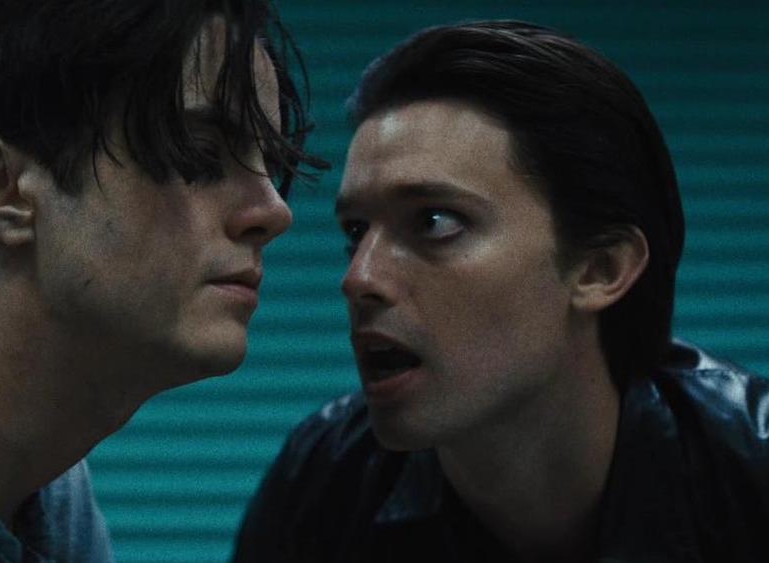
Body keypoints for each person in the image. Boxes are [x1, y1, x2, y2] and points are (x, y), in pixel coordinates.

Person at [233, 20, 769, 563]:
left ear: (600, 269)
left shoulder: (749, 473)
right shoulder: (323, 487)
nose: (359, 279)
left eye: (434, 221)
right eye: (356, 231)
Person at [0, 0, 325, 560]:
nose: (274, 211)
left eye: (268, 166)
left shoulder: (51, 490)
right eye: (200, 153)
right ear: (2, 186)